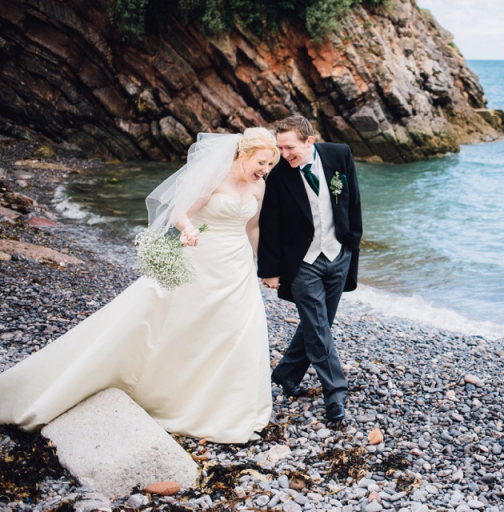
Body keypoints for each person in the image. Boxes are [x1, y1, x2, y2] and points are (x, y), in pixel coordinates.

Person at [0, 128, 279, 444]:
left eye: (269, 164)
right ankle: (168, 392)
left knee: (236, 329)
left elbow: (252, 226)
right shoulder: (216, 177)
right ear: (243, 153)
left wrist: (266, 266)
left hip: (237, 265)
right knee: (184, 325)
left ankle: (227, 406)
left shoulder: (259, 186)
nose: (265, 170)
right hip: (202, 260)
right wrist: (188, 230)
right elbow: (178, 212)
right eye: (261, 162)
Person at [258, 115, 362, 423]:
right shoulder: (278, 176)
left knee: (319, 322)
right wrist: (271, 270)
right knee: (318, 327)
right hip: (302, 262)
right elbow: (270, 225)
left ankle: (286, 375)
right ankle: (335, 391)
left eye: (290, 147)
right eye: (280, 148)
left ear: (309, 141)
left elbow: (352, 198)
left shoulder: (339, 154)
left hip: (337, 254)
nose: (284, 154)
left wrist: (352, 245)